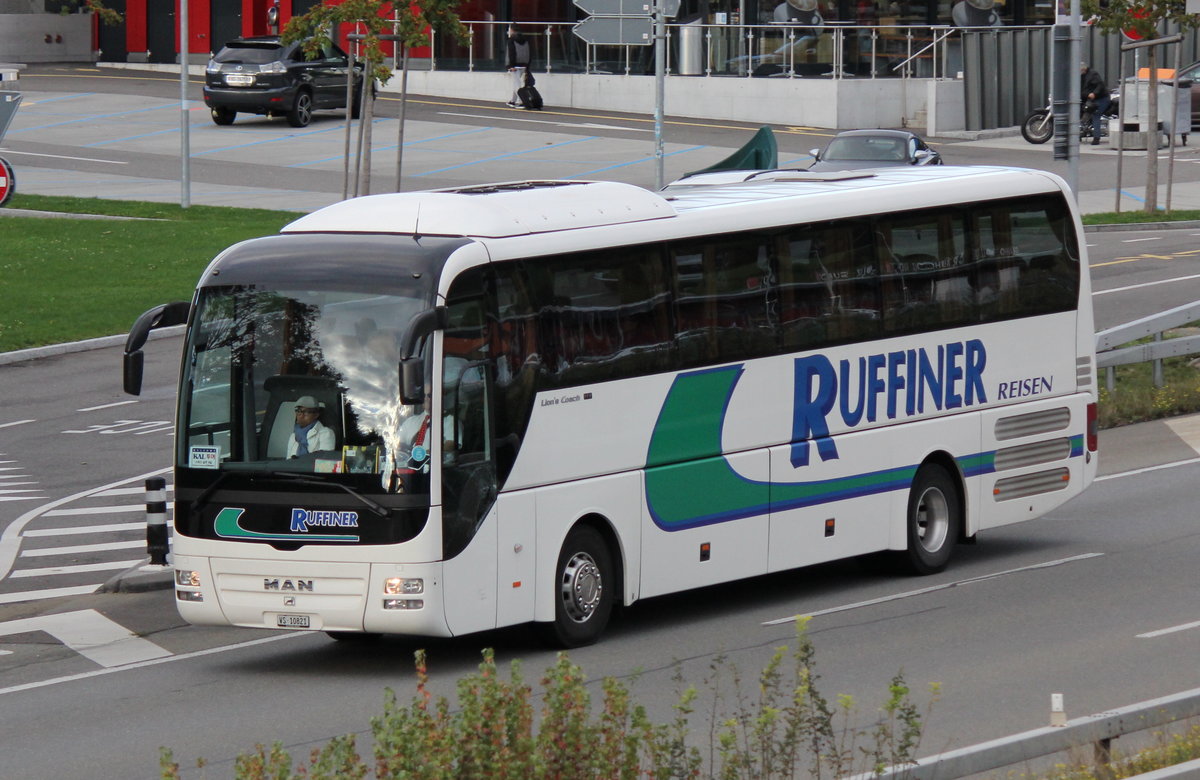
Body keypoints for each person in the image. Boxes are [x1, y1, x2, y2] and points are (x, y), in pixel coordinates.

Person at [1080, 61, 1110, 145]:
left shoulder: (1092, 74)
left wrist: (1094, 93)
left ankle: (1096, 138)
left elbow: (1100, 85)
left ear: (1083, 68)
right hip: (1090, 98)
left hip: (1101, 98)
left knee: (1095, 114)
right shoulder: (1081, 76)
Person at [505, 25, 532, 108]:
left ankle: (522, 101)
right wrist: (528, 65)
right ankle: (513, 101)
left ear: (512, 30)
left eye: (509, 29)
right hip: (524, 64)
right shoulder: (526, 40)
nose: (508, 31)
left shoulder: (511, 40)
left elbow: (511, 53)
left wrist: (511, 65)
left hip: (515, 66)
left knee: (517, 84)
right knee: (516, 83)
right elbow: (529, 52)